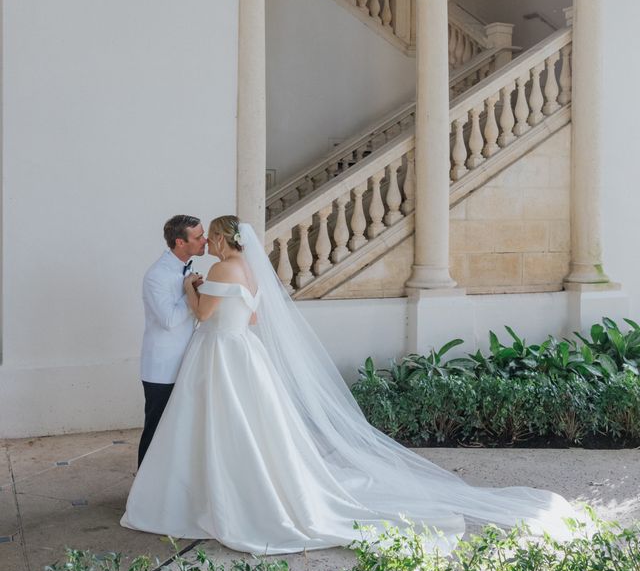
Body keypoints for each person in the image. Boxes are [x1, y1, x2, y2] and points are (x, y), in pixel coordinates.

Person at [122, 215, 576, 553]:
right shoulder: (251, 269)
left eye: (210, 237)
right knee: (249, 428)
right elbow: (255, 315)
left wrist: (190, 291)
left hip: (220, 352)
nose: (208, 243)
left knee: (213, 427)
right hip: (243, 351)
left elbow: (202, 315)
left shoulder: (220, 271)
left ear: (220, 239)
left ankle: (205, 493)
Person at [137, 214, 206, 466]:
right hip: (162, 367)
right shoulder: (157, 275)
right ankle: (143, 494)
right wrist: (190, 293)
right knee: (155, 431)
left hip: (187, 362)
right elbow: (168, 320)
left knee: (179, 432)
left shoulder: (184, 270)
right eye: (198, 237)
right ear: (180, 242)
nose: (204, 240)